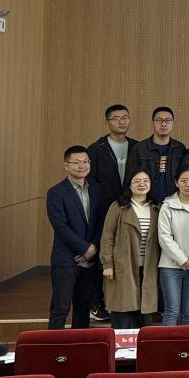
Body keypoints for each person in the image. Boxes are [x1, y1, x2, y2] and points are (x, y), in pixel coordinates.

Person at [87, 104, 139, 323]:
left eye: (125, 117)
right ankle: (97, 303)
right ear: (107, 121)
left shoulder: (137, 147)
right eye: (116, 118)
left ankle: (130, 302)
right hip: (104, 210)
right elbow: (91, 183)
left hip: (132, 208)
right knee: (102, 255)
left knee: (129, 256)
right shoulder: (96, 149)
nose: (121, 121)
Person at [47, 145, 104, 329]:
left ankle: (79, 344)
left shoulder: (97, 190)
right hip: (66, 259)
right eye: (77, 162)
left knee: (83, 307)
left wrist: (94, 246)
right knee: (61, 308)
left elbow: (101, 222)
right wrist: (84, 248)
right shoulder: (56, 192)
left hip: (91, 259)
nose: (82, 166)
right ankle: (52, 344)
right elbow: (60, 226)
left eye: (86, 162)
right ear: (66, 165)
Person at [100, 169, 160, 329]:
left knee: (144, 316)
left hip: (148, 267)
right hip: (123, 266)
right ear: (129, 184)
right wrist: (107, 264)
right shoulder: (118, 207)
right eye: (137, 181)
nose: (142, 184)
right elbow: (107, 236)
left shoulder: (156, 208)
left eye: (146, 180)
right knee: (122, 312)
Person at [157, 167, 189, 325]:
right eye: (184, 181)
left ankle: (187, 342)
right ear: (176, 183)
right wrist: (182, 259)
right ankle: (168, 342)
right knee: (172, 310)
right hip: (170, 266)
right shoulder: (167, 205)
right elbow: (164, 236)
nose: (188, 184)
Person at [130, 107, 186, 204]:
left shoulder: (180, 148)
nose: (163, 124)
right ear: (153, 123)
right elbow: (130, 178)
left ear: (173, 123)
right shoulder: (139, 148)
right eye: (159, 120)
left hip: (174, 203)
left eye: (168, 120)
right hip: (146, 202)